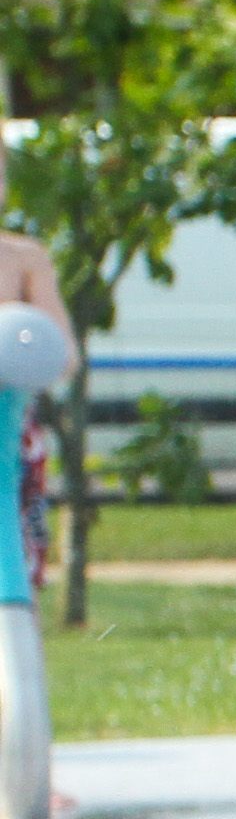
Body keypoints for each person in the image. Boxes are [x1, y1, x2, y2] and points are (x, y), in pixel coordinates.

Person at [0, 226, 69, 605]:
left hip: (5, 436)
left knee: (12, 562)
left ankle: (14, 654)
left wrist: (18, 352)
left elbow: (65, 354)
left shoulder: (24, 259)